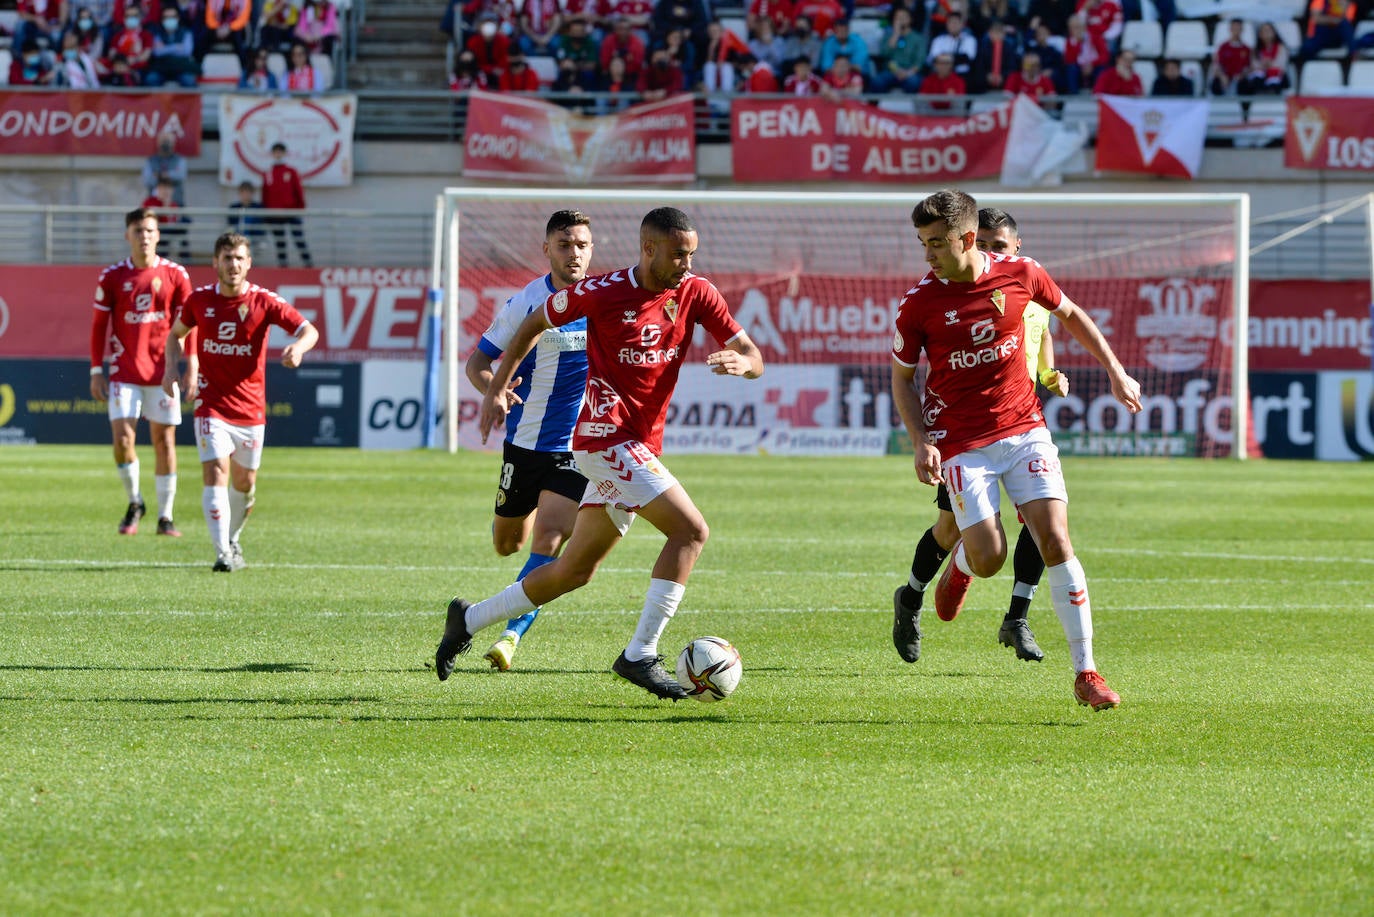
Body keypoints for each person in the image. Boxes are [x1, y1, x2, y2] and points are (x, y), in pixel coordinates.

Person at [435, 207, 765, 700]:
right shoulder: (602, 291)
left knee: (575, 570)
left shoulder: (696, 292)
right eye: (678, 254)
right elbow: (531, 325)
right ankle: (640, 655)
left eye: (692, 253)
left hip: (637, 445)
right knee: (690, 531)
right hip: (602, 438)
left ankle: (468, 618)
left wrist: (745, 363)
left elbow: (753, 354)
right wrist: (496, 389)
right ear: (648, 248)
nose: (686, 263)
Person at [890, 188, 1141, 711]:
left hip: (1025, 428)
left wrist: (1115, 371)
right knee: (989, 560)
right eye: (922, 243)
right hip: (962, 445)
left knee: (1055, 540)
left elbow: (1069, 314)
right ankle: (960, 561)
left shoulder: (1022, 272)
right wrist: (920, 441)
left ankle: (1086, 672)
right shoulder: (918, 304)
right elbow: (902, 379)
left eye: (936, 243)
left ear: (965, 238)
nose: (928, 253)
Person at [893, 207, 1069, 667]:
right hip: (964, 432)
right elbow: (904, 377)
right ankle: (911, 597)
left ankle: (1018, 616)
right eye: (984, 244)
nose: (990, 253)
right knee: (953, 531)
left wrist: (1049, 375)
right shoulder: (944, 296)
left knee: (1042, 522)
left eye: (1000, 246)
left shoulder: (1026, 287)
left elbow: (1045, 335)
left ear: (1016, 249)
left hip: (1020, 422)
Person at [463, 210, 595, 671]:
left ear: (591, 249)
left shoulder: (605, 303)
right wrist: (494, 391)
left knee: (551, 541)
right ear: (547, 250)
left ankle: (509, 638)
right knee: (507, 544)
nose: (573, 253)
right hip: (524, 445)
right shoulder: (525, 303)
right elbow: (477, 363)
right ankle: (529, 511)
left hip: (576, 451)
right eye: (564, 244)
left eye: (581, 244)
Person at [162, 232, 319, 571]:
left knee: (245, 484)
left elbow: (309, 330)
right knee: (216, 471)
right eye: (226, 258)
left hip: (250, 411)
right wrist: (170, 368)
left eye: (239, 258)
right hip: (211, 406)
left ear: (248, 263)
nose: (233, 264)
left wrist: (298, 349)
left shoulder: (265, 302)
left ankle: (232, 540)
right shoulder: (199, 300)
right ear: (215, 262)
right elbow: (175, 335)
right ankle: (222, 554)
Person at [90, 207, 195, 537]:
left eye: (150, 231)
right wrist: (96, 369)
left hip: (163, 374)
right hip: (124, 372)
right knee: (122, 440)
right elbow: (98, 327)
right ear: (128, 236)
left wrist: (191, 364)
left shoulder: (176, 275)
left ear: (158, 235)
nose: (144, 237)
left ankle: (166, 516)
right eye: (138, 231)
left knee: (164, 442)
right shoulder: (112, 277)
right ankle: (135, 501)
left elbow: (191, 324)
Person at [260, 141, 313, 268]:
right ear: (272, 154)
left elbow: (298, 190)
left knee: (298, 238)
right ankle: (283, 267)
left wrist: (300, 207)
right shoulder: (268, 173)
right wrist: (266, 212)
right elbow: (265, 194)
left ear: (284, 153)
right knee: (280, 242)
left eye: (280, 152)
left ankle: (308, 264)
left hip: (291, 211)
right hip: (274, 214)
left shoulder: (291, 171)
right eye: (275, 152)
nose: (278, 154)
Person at [141, 176, 191, 261]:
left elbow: (172, 222)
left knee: (182, 229)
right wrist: (164, 206)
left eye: (168, 188)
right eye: (163, 188)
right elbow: (148, 217)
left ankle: (186, 260)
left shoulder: (173, 204)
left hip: (167, 233)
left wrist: (167, 204)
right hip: (153, 233)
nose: (166, 191)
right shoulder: (150, 201)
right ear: (157, 189)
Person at [142, 131, 187, 208]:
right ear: (158, 143)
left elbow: (180, 176)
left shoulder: (179, 159)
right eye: (163, 141)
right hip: (154, 206)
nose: (166, 144)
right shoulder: (151, 160)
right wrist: (169, 176)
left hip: (176, 203)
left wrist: (159, 175)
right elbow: (147, 180)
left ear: (173, 143)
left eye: (168, 141)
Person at [1242, 22, 1291, 94]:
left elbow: (1282, 64)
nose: (1266, 33)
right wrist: (1262, 64)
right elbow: (1254, 64)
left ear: (1274, 33)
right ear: (1259, 34)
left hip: (1276, 74)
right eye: (1264, 31)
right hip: (1261, 75)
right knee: (1257, 76)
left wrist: (1269, 63)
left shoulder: (1281, 48)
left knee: (1274, 76)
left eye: (1268, 30)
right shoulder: (1256, 50)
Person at [1208, 18, 1252, 96]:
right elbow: (1216, 64)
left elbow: (1249, 67)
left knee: (1245, 85)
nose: (1236, 30)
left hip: (1239, 79)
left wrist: (1242, 75)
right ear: (1230, 29)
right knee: (1215, 84)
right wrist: (1222, 76)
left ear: (1242, 30)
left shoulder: (1247, 49)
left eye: (1238, 28)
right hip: (1225, 77)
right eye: (1234, 27)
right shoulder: (1223, 47)